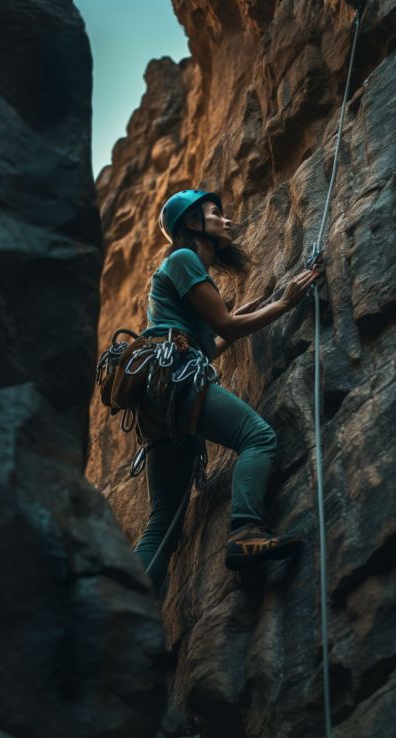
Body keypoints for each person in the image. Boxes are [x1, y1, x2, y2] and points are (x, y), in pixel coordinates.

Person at [131, 189, 321, 594]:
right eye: (216, 214)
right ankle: (245, 532)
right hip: (177, 381)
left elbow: (215, 340)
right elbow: (227, 328)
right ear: (192, 224)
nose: (227, 220)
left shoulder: (181, 272)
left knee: (164, 520)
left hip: (159, 397)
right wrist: (284, 304)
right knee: (258, 437)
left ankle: (126, 610)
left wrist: (252, 312)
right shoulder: (182, 259)